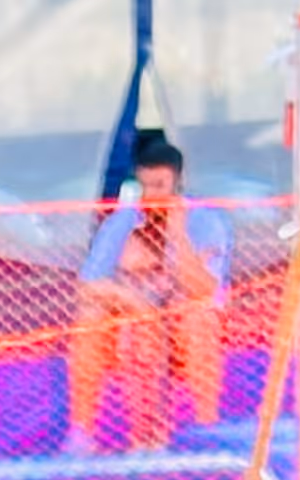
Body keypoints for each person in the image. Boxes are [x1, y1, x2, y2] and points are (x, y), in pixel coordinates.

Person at [70, 128, 231, 448]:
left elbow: (205, 290)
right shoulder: (122, 221)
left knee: (200, 318)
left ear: (178, 184)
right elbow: (88, 285)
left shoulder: (207, 222)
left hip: (184, 330)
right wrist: (133, 301)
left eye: (159, 186)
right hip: (135, 325)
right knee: (92, 319)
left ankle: (205, 433)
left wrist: (178, 233)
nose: (152, 196)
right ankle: (84, 436)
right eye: (144, 187)